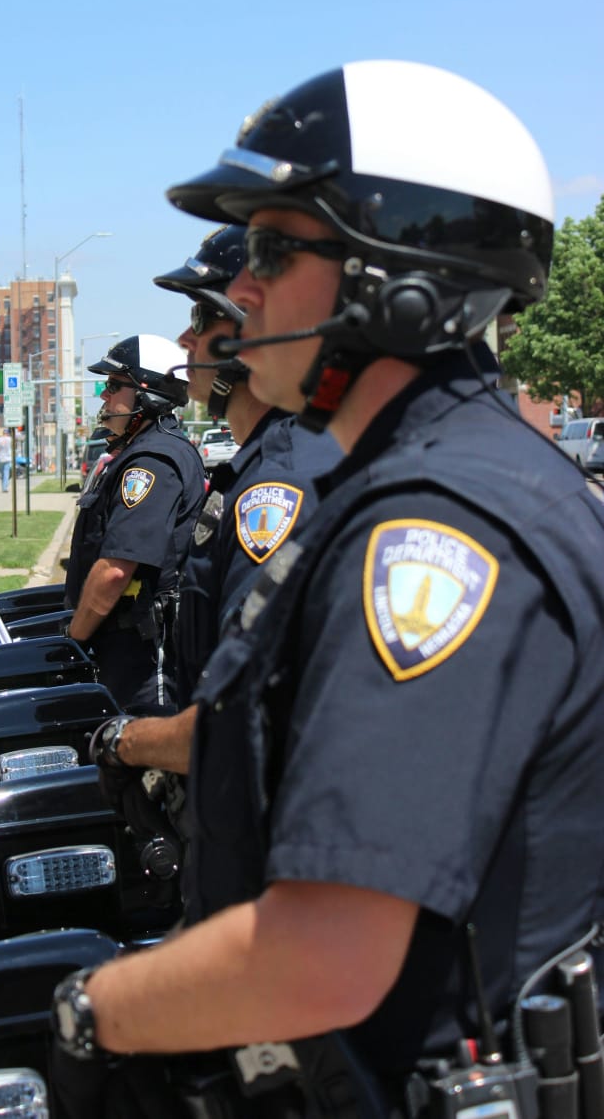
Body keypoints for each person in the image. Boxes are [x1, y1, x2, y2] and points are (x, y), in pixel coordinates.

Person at [51, 61, 604, 1117]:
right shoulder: (419, 486)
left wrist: (92, 1007)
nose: (239, 290)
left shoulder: (434, 531)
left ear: (392, 275)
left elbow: (325, 956)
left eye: (270, 249)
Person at [92, 225, 340, 790]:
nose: (186, 339)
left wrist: (124, 742)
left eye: (202, 319)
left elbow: (242, 717)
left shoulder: (275, 490)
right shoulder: (252, 470)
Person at [63, 333, 205, 715]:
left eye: (113, 386)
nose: (104, 397)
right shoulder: (141, 452)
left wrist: (74, 638)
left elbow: (114, 570)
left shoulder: (152, 462)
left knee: (143, 766)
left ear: (148, 394)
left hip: (144, 655)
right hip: (124, 646)